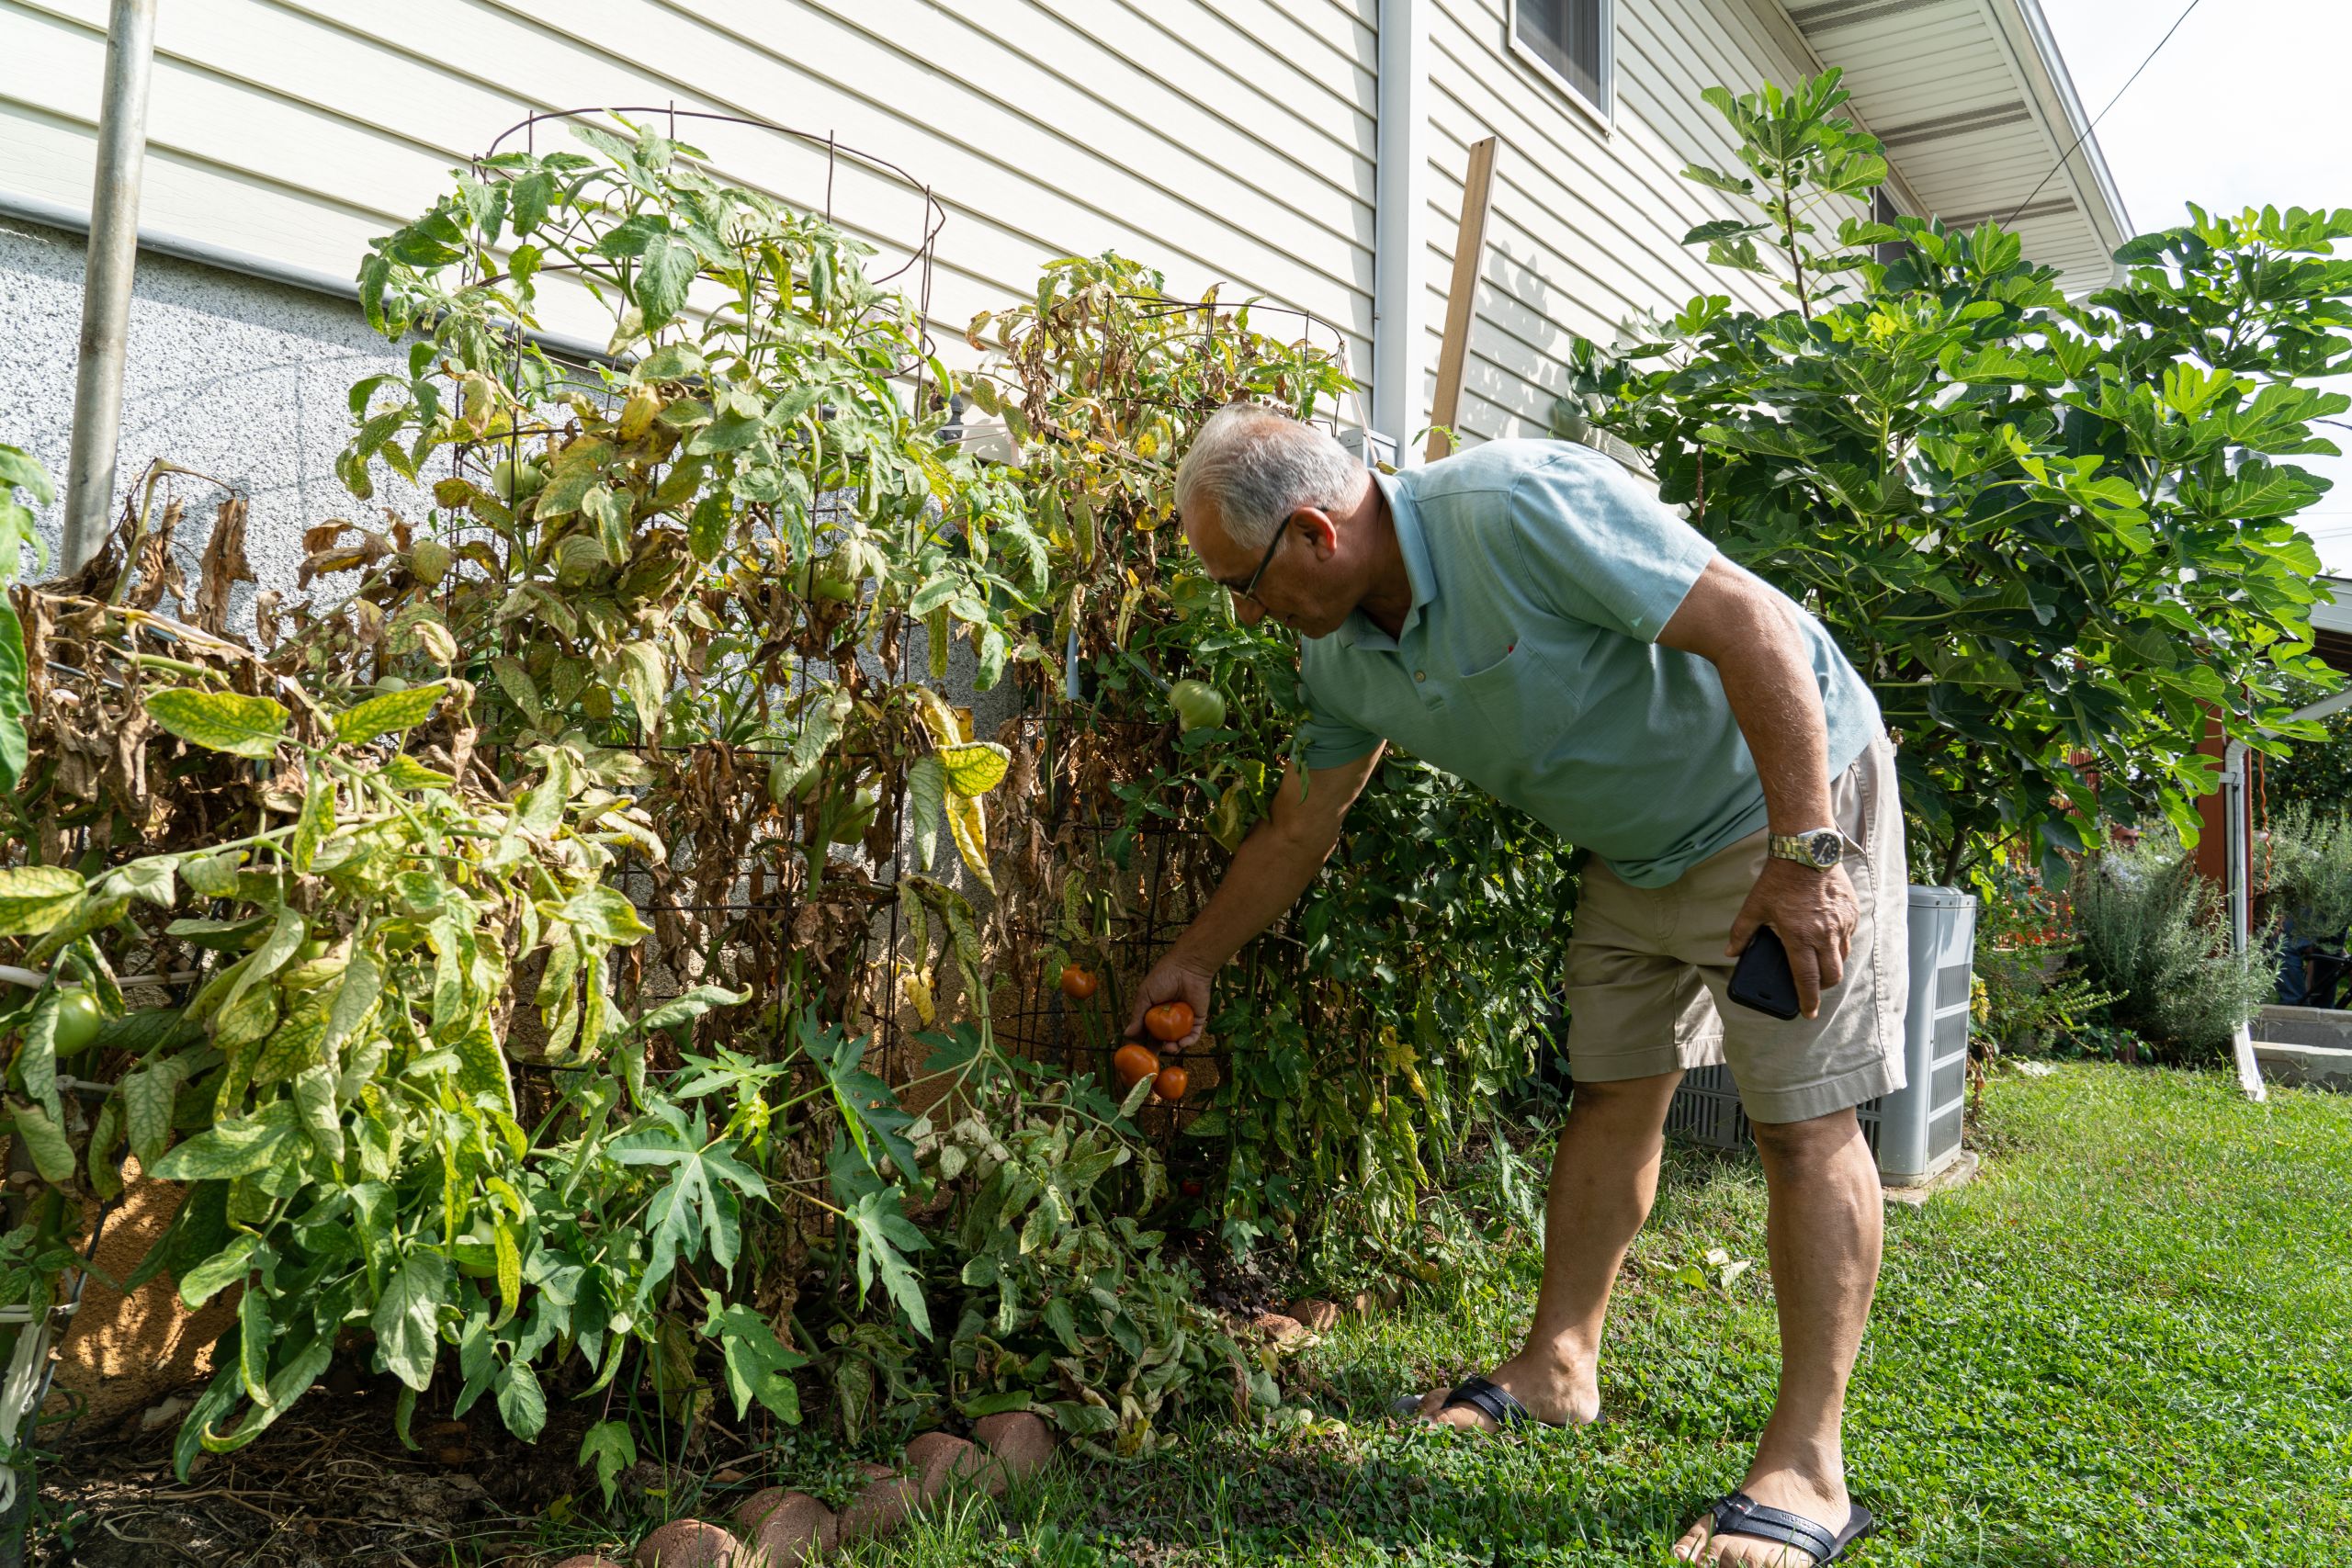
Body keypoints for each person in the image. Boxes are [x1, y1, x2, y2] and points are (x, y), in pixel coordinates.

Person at [1126, 403, 1905, 1567]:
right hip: (1634, 851)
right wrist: (1196, 956)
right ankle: (1556, 1369)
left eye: (1241, 584)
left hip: (1775, 800)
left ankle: (1806, 1468)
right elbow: (1301, 827)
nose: (1243, 615)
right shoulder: (1337, 655)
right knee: (1610, 1091)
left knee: (1801, 1126)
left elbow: (1750, 625)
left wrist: (1804, 856)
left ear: (1311, 535)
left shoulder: (1517, 507)